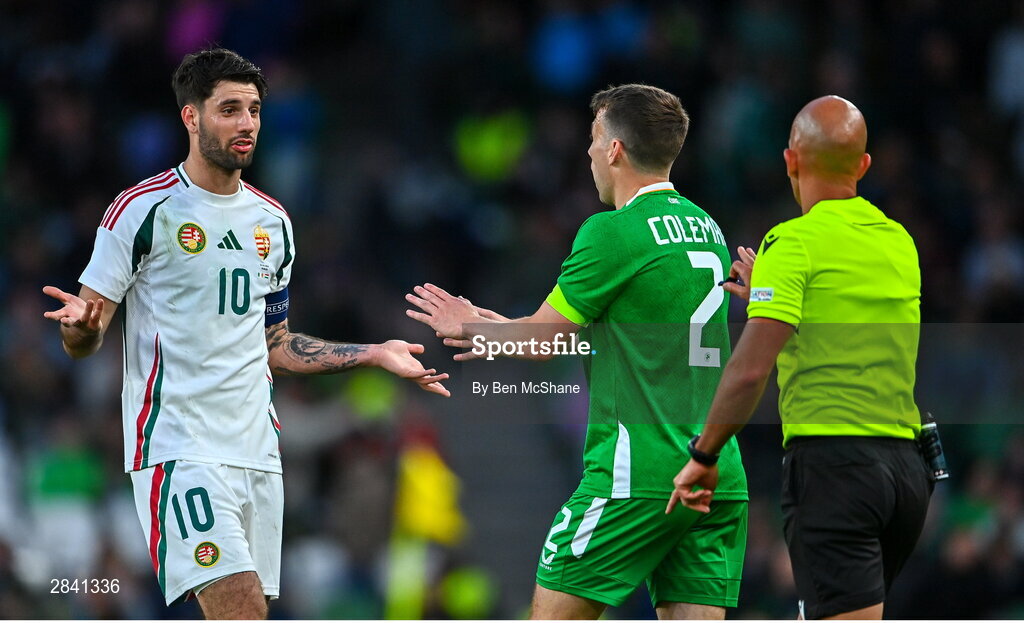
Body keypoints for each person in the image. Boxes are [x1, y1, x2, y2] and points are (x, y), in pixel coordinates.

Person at [42, 48, 449, 620]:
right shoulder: (141, 212)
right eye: (229, 109)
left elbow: (276, 346)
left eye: (254, 110)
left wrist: (375, 353)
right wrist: (82, 332)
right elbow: (83, 337)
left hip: (257, 451)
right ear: (191, 117)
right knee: (240, 607)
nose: (246, 124)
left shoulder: (273, 222)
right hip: (179, 447)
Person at [405, 84, 747, 620]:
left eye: (593, 139)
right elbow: (618, 333)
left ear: (614, 150)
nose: (587, 153)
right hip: (716, 472)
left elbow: (542, 344)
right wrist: (505, 329)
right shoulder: (707, 229)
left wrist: (468, 325)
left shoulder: (613, 231)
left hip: (639, 474)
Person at [668, 96, 933, 620]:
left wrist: (704, 455)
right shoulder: (900, 242)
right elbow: (843, 327)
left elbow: (748, 371)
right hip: (908, 475)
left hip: (836, 469)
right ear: (862, 166)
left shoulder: (790, 243)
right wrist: (770, 298)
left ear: (790, 160)